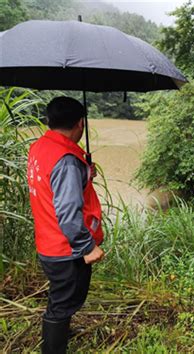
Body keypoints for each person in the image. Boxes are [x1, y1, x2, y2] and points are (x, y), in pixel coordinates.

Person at [27, 97, 105, 354]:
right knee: (64, 302)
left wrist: (83, 174)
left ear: (49, 121)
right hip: (66, 248)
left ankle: (60, 332)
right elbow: (68, 212)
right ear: (80, 124)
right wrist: (87, 247)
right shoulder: (67, 160)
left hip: (47, 241)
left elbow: (52, 187)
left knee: (61, 297)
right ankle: (53, 348)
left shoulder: (40, 147)